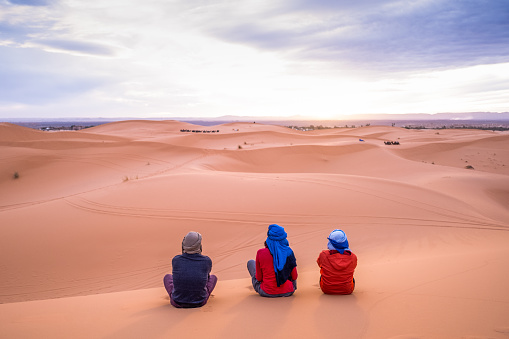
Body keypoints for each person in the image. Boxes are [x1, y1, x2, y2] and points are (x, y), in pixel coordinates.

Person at [163, 231, 217, 308]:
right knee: (213, 277)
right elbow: (207, 278)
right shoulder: (206, 260)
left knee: (167, 277)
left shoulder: (176, 260)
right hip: (200, 302)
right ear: (199, 245)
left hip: (177, 302)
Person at [247, 224, 298, 297]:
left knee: (251, 263)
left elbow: (259, 278)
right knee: (290, 266)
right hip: (288, 291)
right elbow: (294, 277)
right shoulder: (289, 252)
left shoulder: (260, 253)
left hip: (267, 292)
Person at [317, 229, 357, 295]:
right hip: (348, 290)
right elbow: (353, 267)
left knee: (323, 272)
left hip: (326, 290)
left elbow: (320, 264)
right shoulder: (352, 257)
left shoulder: (323, 255)